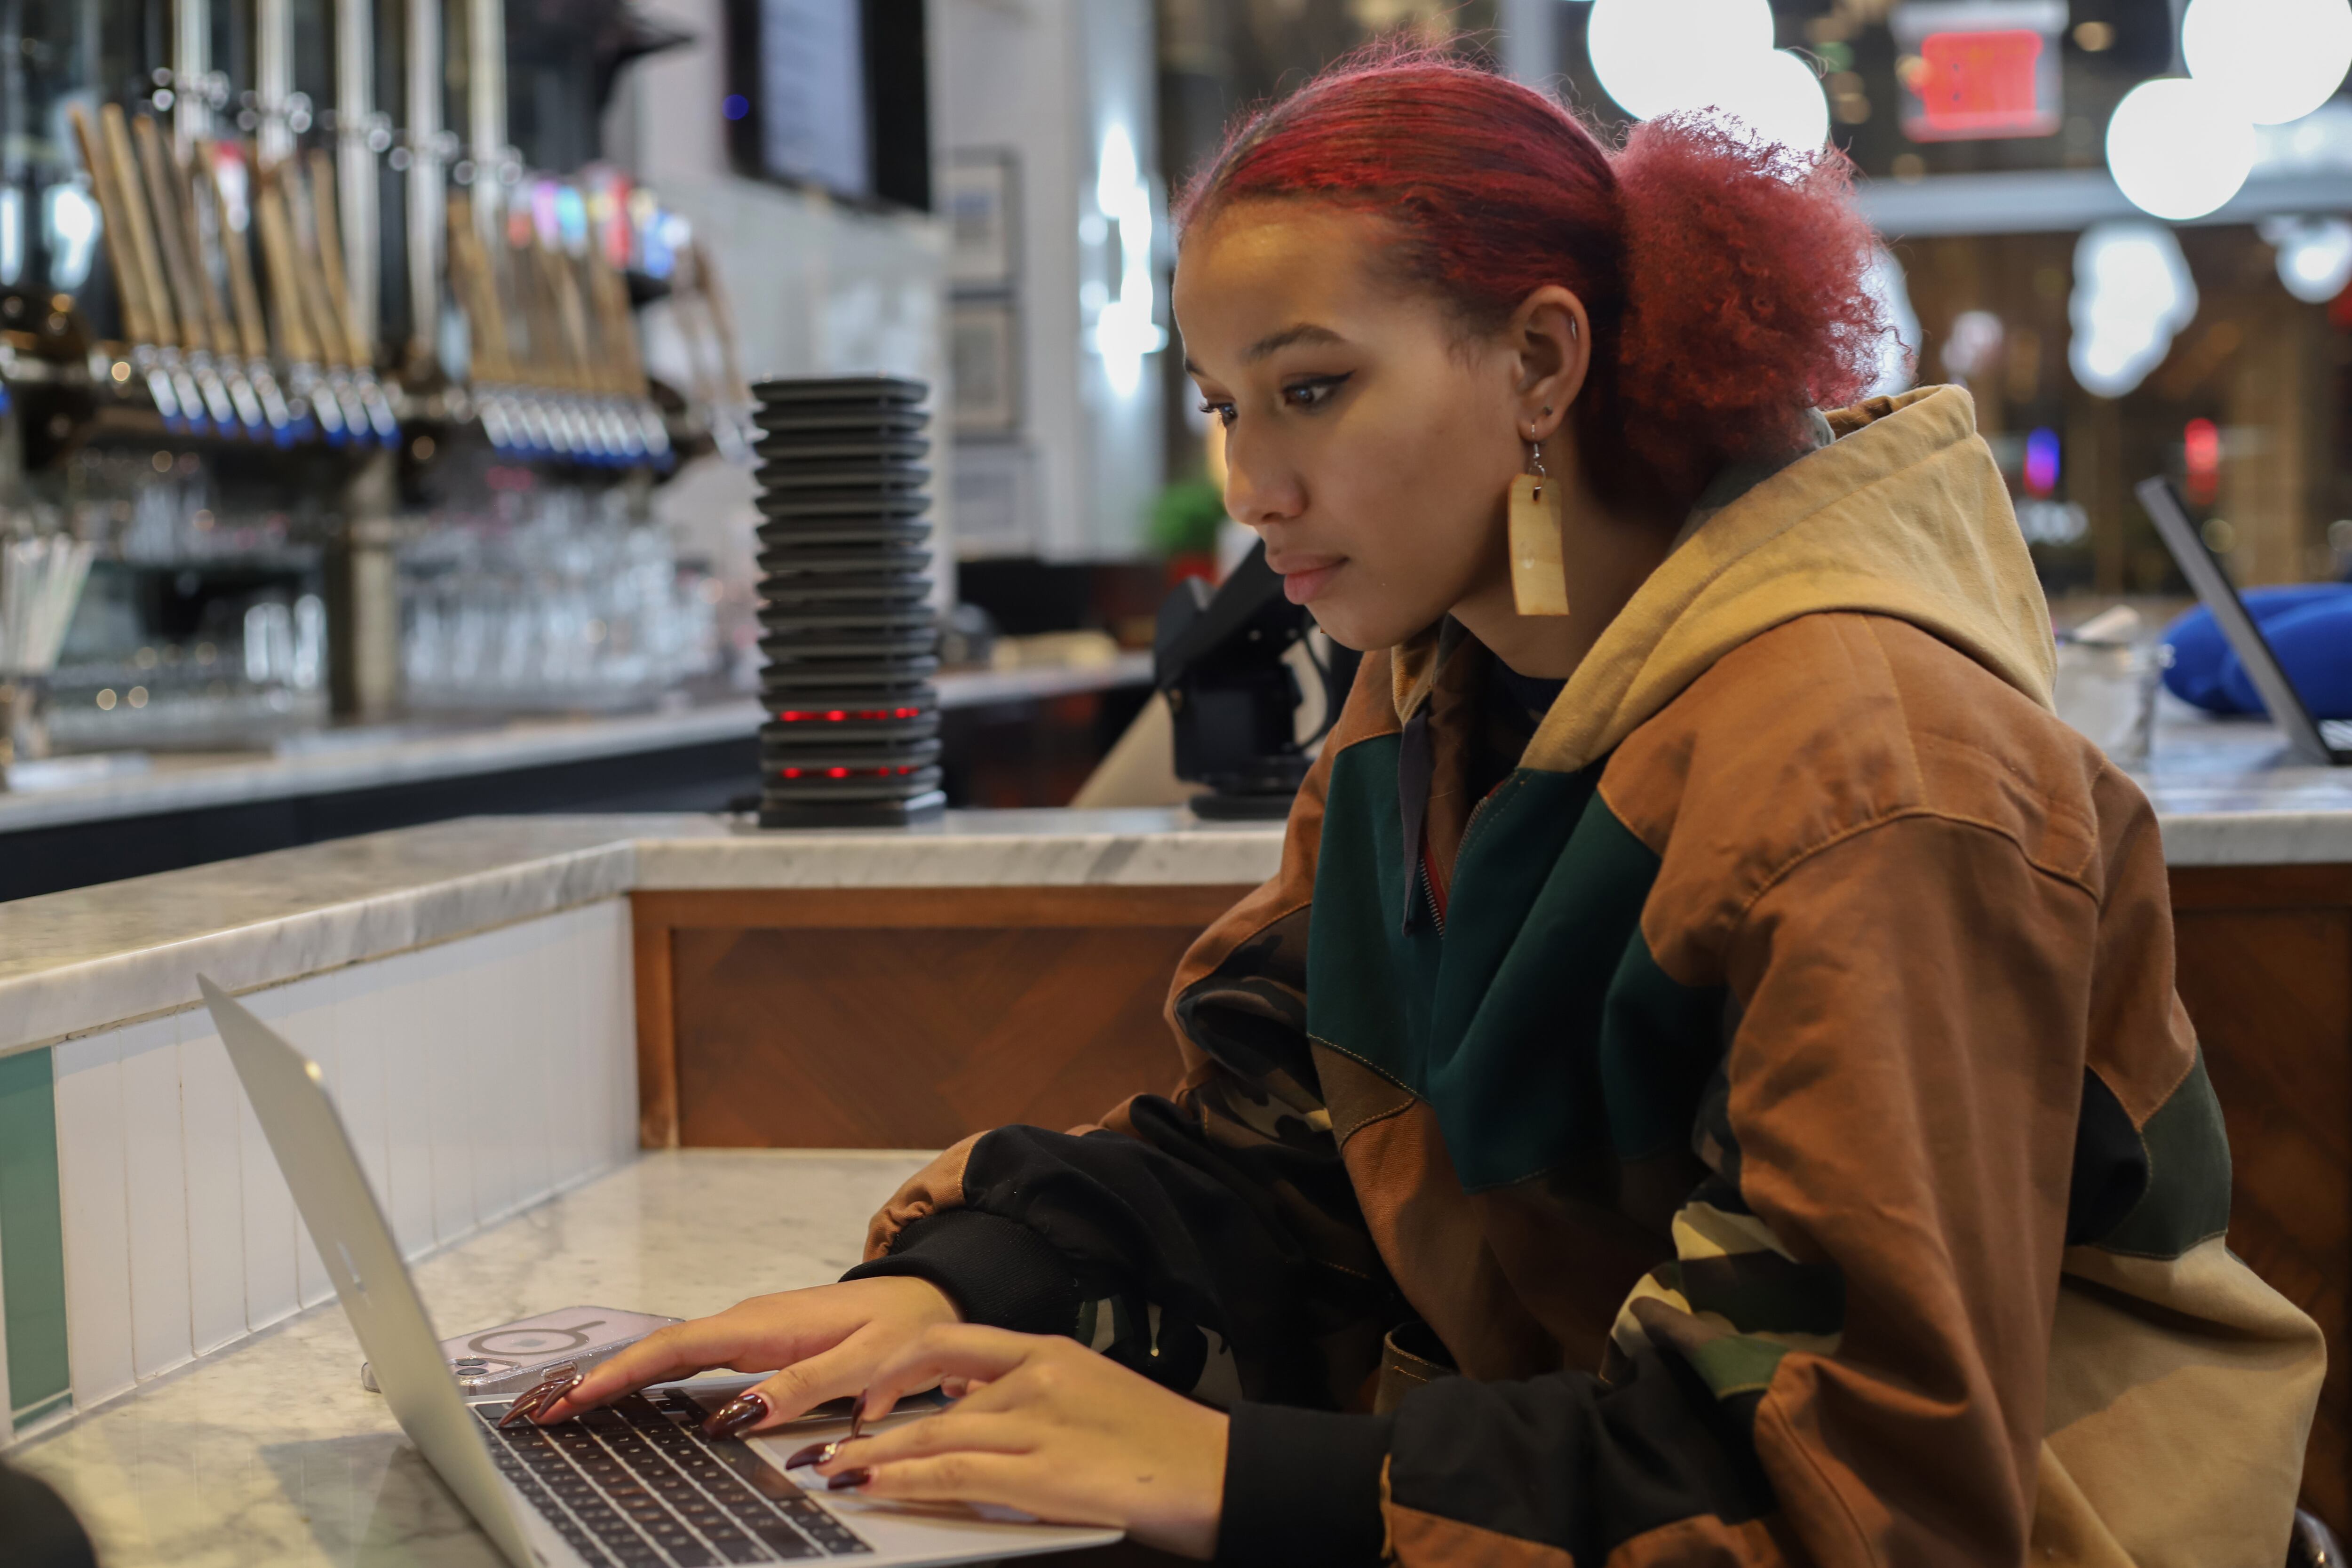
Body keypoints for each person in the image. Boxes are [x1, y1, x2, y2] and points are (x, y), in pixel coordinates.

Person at [527, 52, 2325, 1565]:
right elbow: (1294, 1149)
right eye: (1225, 405)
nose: (1251, 483)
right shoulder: (1439, 686)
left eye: (1313, 389)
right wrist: (967, 1292)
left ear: (1542, 363)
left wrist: (1241, 1482)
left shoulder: (1874, 776)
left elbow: (1862, 1488)